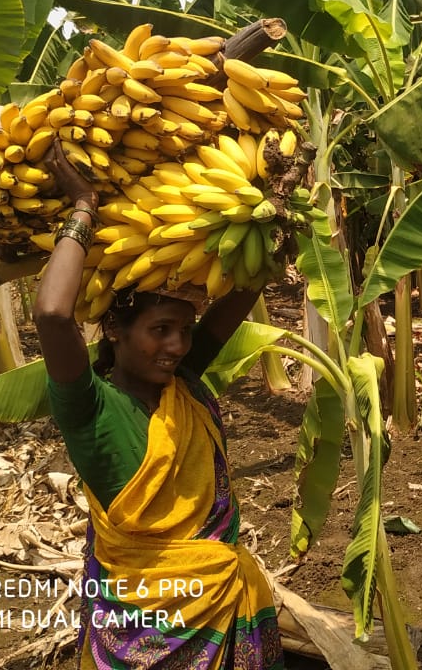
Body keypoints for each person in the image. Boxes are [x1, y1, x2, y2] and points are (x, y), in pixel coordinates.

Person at [33, 143, 285, 669]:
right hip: (137, 617)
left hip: (220, 601)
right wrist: (83, 205)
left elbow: (249, 284)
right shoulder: (91, 408)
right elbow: (54, 316)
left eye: (184, 331)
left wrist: (274, 210)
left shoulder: (183, 385)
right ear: (116, 331)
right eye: (159, 330)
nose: (175, 345)